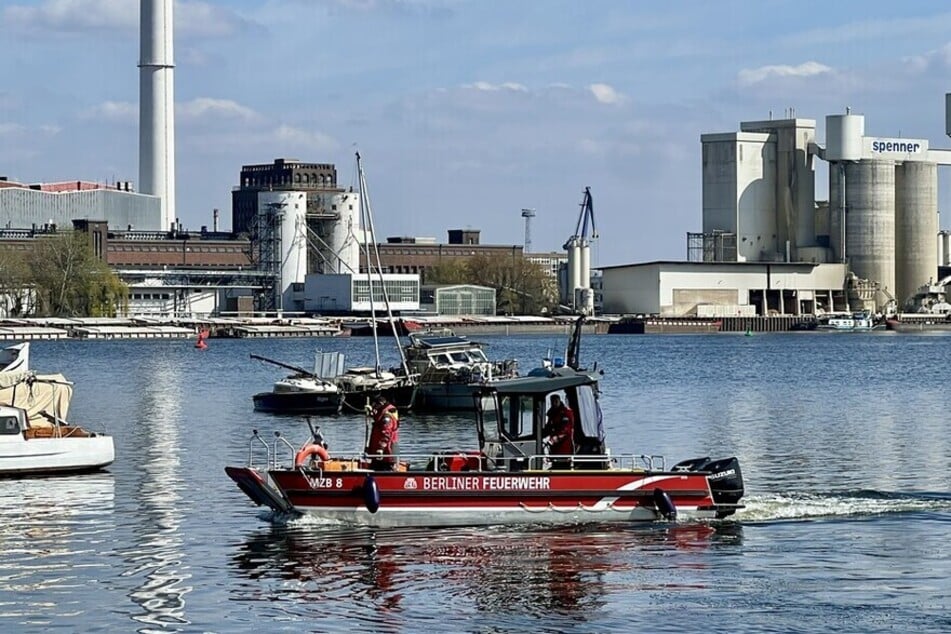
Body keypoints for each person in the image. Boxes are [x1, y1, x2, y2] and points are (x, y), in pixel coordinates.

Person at [365, 394, 400, 471]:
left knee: (384, 470)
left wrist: (381, 448)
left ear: (380, 404)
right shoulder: (383, 413)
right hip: (381, 452)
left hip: (386, 452)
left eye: (375, 406)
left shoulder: (387, 417)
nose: (374, 408)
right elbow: (378, 420)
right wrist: (372, 414)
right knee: (374, 468)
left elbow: (386, 433)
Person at [543, 393, 575, 468]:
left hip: (564, 447)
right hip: (554, 447)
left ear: (559, 401)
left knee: (563, 464)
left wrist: (556, 438)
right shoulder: (551, 413)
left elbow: (566, 430)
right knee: (555, 463)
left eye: (556, 401)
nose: (554, 403)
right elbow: (549, 428)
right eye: (552, 401)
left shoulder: (566, 413)